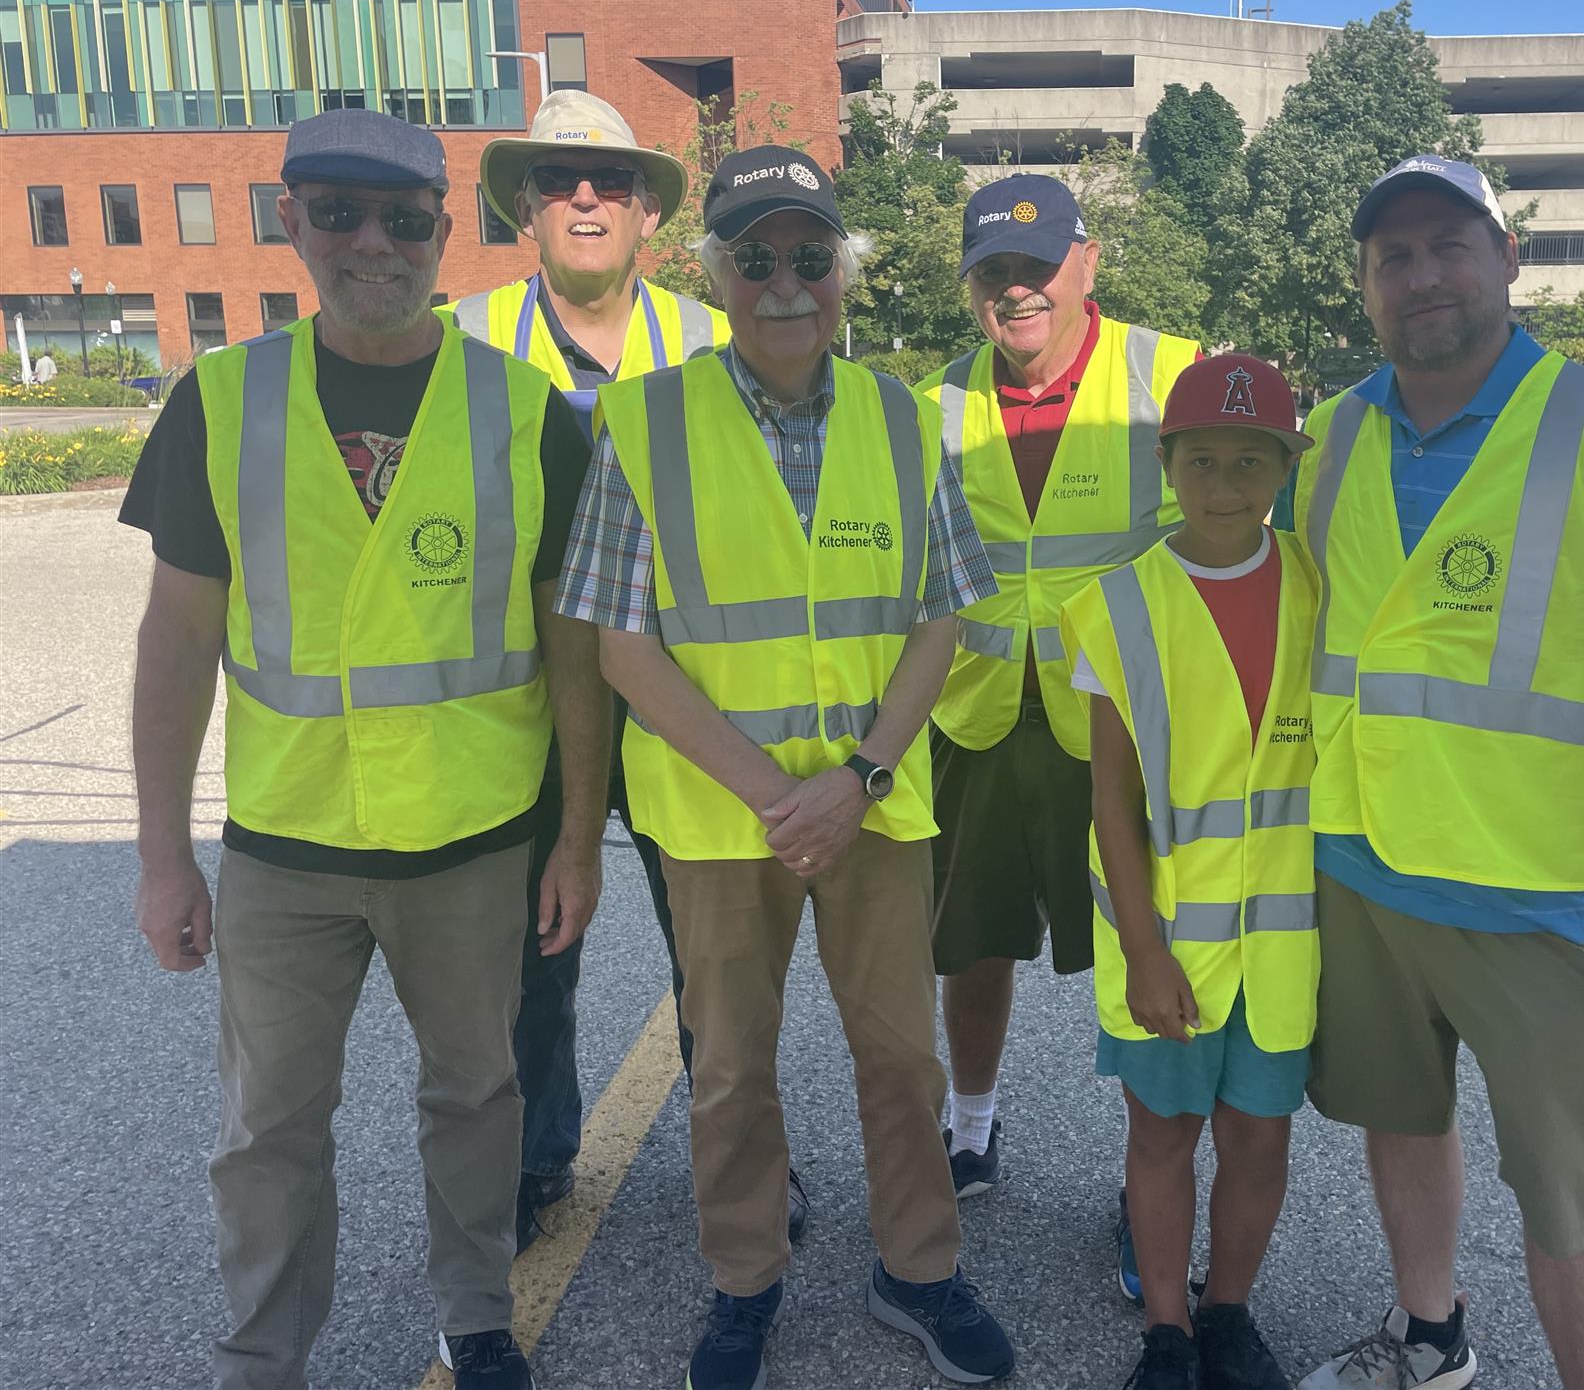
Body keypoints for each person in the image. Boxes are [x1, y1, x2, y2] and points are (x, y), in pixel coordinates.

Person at [123, 109, 608, 1390]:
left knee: (477, 1098)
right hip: (287, 848)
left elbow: (574, 652)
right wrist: (162, 856)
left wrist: (576, 840)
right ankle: (263, 1356)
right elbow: (176, 643)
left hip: (471, 843)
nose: (371, 243)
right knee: (268, 1128)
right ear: (292, 222)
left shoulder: (527, 412)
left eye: (402, 218)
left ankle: (477, 1317)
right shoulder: (221, 402)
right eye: (338, 213)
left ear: (446, 231)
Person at [558, 144, 1016, 1390]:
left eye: (809, 257)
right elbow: (620, 646)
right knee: (729, 1070)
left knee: (902, 1058)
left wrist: (855, 779)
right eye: (754, 258)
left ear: (843, 274)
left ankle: (918, 1269)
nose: (784, 283)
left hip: (874, 808)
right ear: (713, 275)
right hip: (724, 823)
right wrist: (780, 798)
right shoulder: (644, 421)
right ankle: (744, 1281)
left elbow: (942, 617)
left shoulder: (904, 420)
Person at [1290, 156, 1584, 1390]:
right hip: (1362, 868)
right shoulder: (1331, 438)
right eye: (1394, 257)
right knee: (1400, 1119)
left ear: (1506, 258)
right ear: (1367, 284)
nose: (1421, 275)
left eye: (1449, 245)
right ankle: (1430, 1336)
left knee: (1569, 1197)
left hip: (1528, 892)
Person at [442, 89, 780, 1254]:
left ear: (648, 214)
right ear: (523, 209)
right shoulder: (463, 339)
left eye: (612, 181)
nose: (585, 197)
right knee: (530, 956)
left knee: (715, 960)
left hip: (684, 698)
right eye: (558, 179)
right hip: (524, 706)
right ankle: (535, 1160)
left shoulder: (711, 339)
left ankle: (744, 1164)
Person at [917, 174, 1198, 1279]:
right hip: (976, 718)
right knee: (972, 941)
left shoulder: (1170, 378)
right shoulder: (933, 404)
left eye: (1037, 266)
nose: (1016, 289)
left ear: (1088, 261)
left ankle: (1148, 1191)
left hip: (1124, 727)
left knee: (1145, 952)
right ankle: (972, 1130)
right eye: (993, 270)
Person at [1061, 355, 1319, 1390]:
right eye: (1202, 458)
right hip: (1168, 943)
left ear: (1286, 469)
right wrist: (1143, 949)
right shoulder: (1120, 605)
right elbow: (1112, 801)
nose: (1225, 483)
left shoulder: (1320, 585)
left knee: (1259, 1143)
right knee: (1163, 1138)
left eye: (1252, 460)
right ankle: (1165, 1332)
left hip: (1284, 949)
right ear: (1166, 464)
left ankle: (1227, 1315)